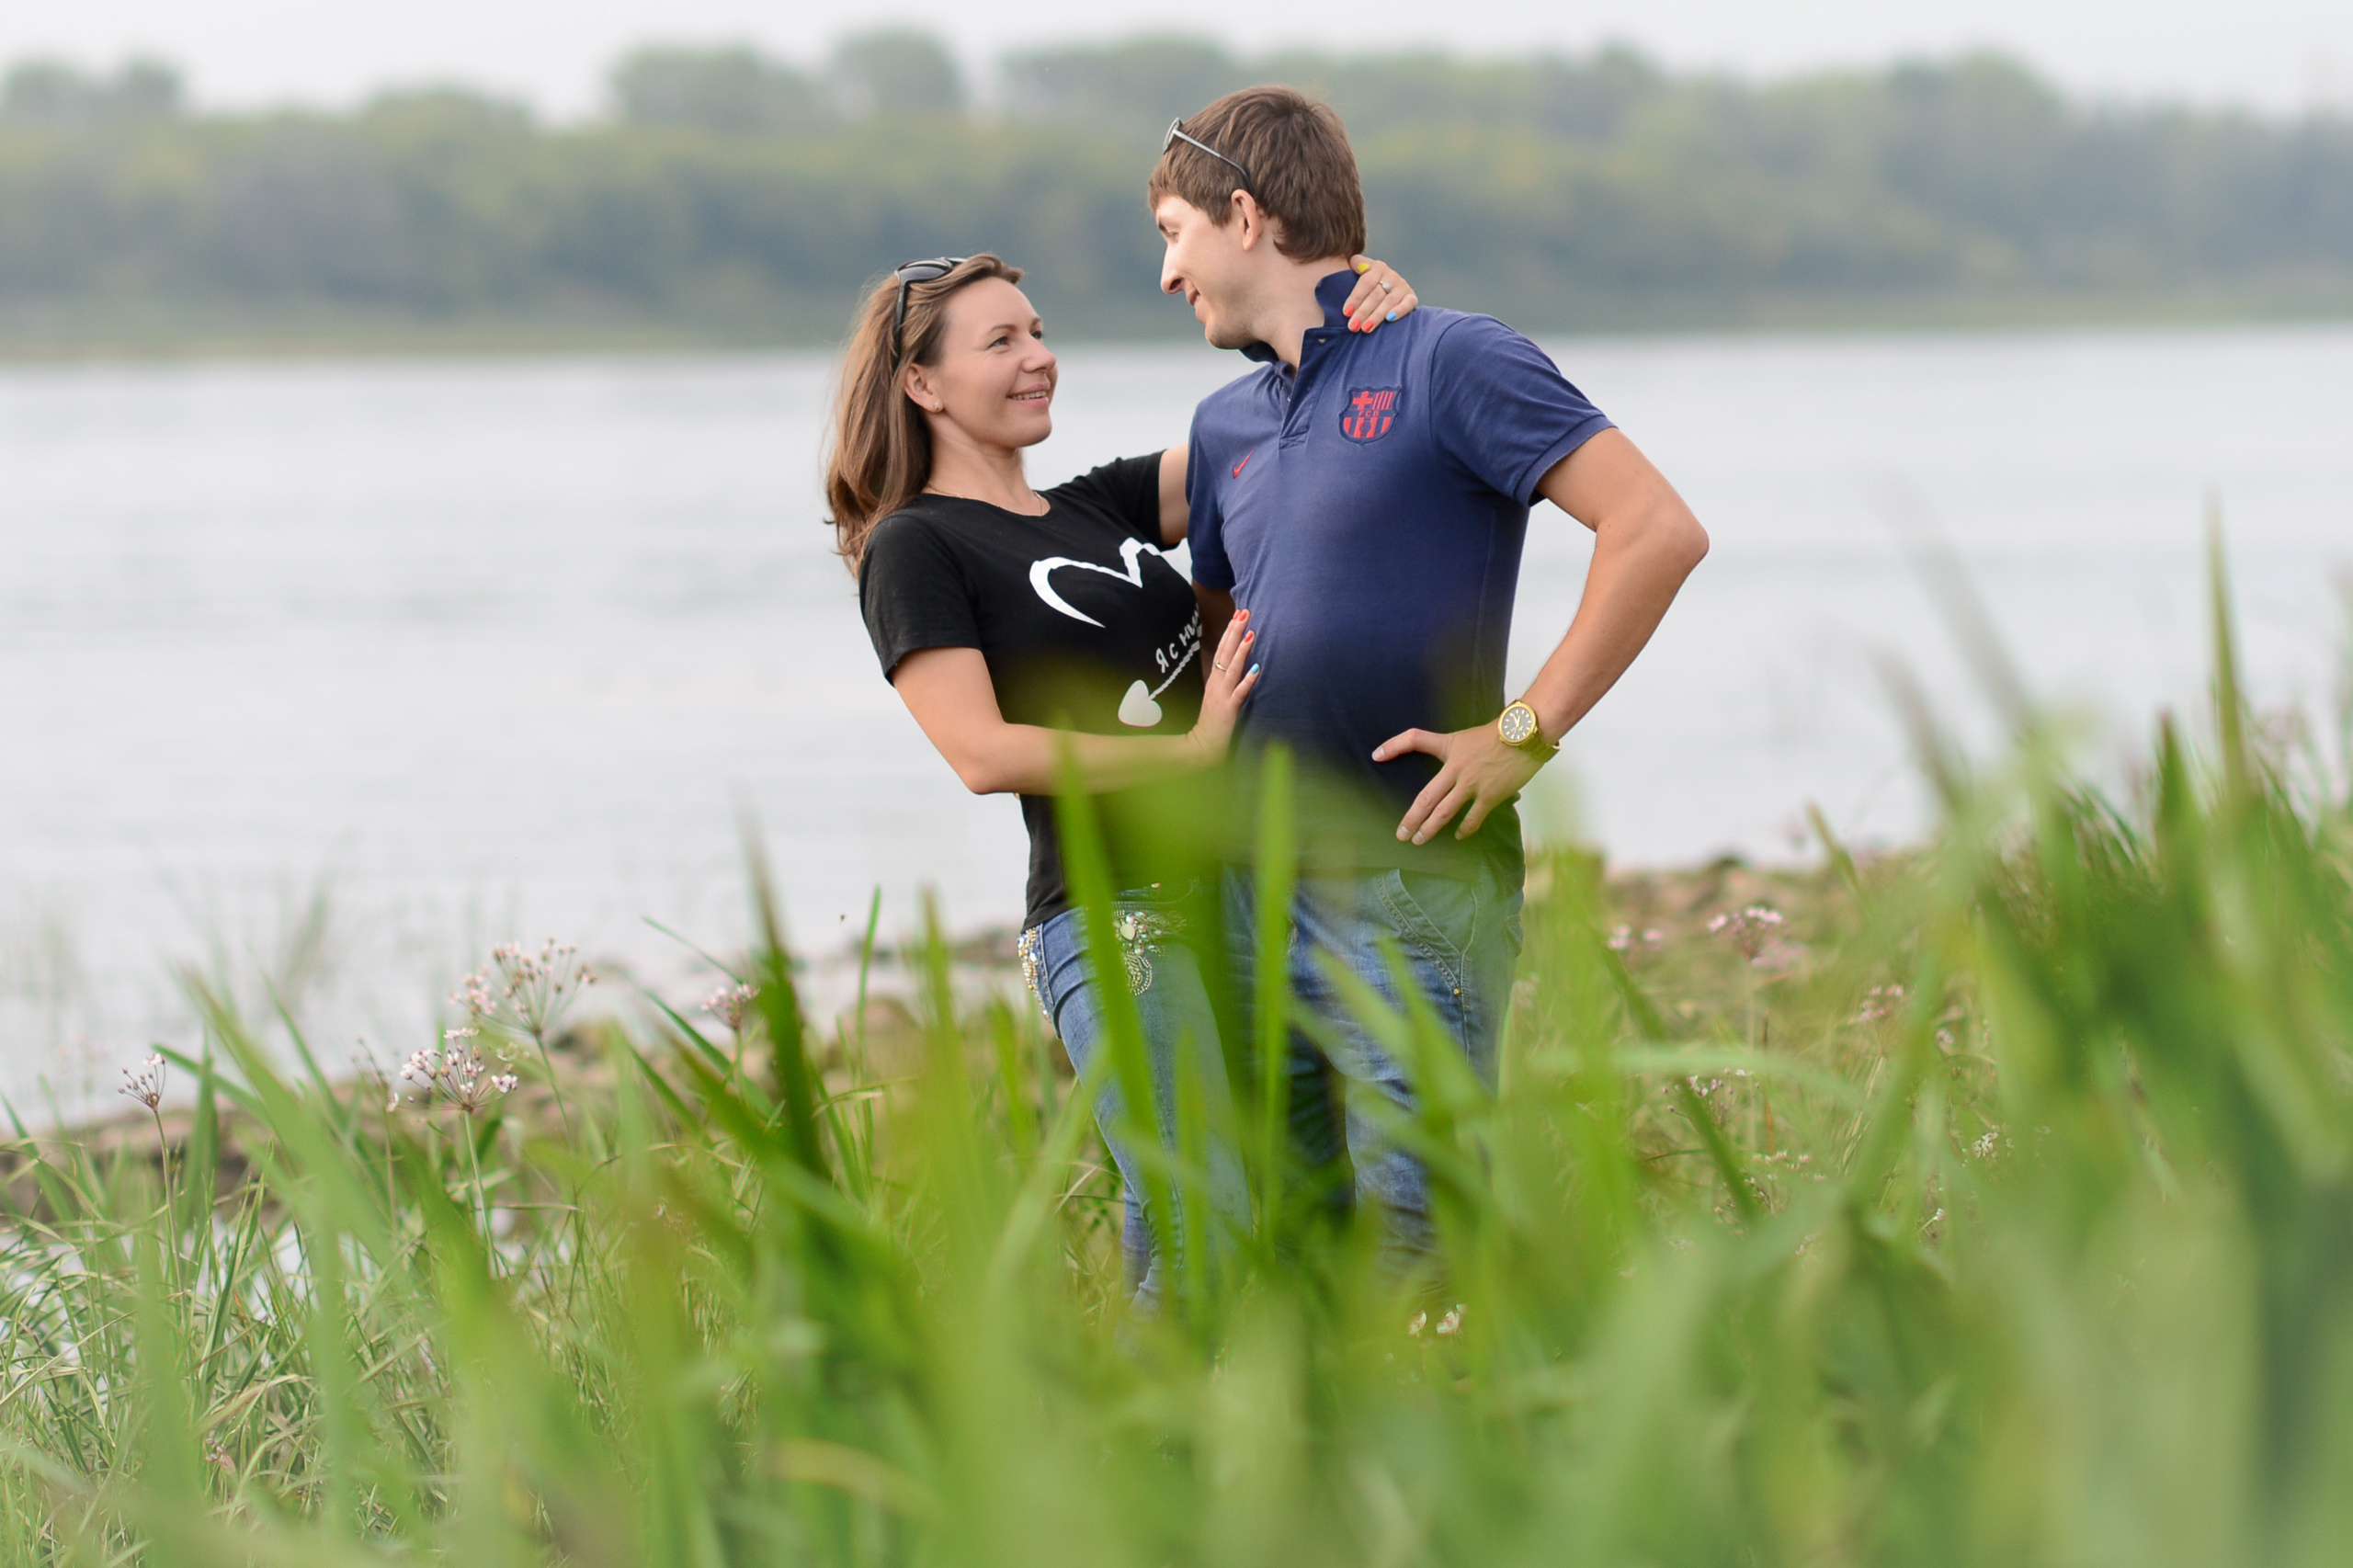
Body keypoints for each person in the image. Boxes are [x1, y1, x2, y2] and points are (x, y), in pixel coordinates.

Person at [1150, 88, 1711, 1270]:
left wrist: (1523, 731)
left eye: (1173, 234)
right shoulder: (1220, 427)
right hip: (1246, 891)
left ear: (1243, 216)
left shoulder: (1453, 357)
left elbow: (1655, 529)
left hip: (1407, 879)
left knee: (1424, 1231)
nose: (1165, 274)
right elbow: (1214, 644)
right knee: (1292, 1248)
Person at [826, 251, 1422, 1307]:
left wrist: (1349, 300)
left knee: (1290, 1206)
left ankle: (1197, 1410)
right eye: (1001, 341)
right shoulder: (916, 546)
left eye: (1038, 332)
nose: (1039, 358)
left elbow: (1281, 424)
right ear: (921, 382)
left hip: (1243, 896)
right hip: (1115, 919)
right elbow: (980, 751)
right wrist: (1186, 753)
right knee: (1205, 1222)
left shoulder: (1094, 506)